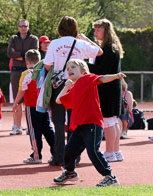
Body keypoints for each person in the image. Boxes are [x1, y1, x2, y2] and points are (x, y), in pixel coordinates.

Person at [53, 59, 124, 186]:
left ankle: (110, 176)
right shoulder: (73, 90)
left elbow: (102, 79)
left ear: (83, 71)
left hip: (92, 123)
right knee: (69, 150)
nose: (69, 70)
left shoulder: (87, 78)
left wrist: (116, 76)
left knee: (93, 151)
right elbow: (58, 100)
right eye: (68, 68)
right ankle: (70, 173)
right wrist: (66, 87)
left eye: (73, 67)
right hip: (79, 126)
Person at [44, 16, 103, 166]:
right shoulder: (81, 43)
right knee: (74, 121)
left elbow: (47, 65)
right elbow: (99, 52)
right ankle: (74, 156)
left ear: (60, 28)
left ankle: (58, 155)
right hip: (78, 84)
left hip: (59, 85)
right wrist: (86, 39)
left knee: (57, 121)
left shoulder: (55, 43)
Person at [83, 18, 124, 162]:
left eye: (98, 29)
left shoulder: (108, 49)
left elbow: (103, 70)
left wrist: (84, 67)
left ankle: (110, 152)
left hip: (108, 90)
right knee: (113, 120)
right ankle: (116, 151)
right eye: (95, 29)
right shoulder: (110, 47)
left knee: (109, 121)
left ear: (106, 31)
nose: (96, 32)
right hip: (112, 89)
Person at [12, 50, 55, 164]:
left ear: (26, 61)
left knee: (34, 131)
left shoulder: (26, 74)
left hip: (31, 106)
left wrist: (15, 103)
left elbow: (21, 90)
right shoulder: (44, 71)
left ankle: (36, 155)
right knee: (47, 128)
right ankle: (57, 151)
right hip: (43, 105)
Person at [7, 19, 38, 135]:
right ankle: (17, 126)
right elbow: (9, 53)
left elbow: (35, 53)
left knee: (31, 99)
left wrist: (18, 54)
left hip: (30, 71)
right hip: (16, 72)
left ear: (28, 27)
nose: (23, 28)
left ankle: (31, 126)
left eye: (25, 26)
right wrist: (24, 54)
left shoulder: (34, 39)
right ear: (18, 27)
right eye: (21, 26)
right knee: (17, 99)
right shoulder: (13, 38)